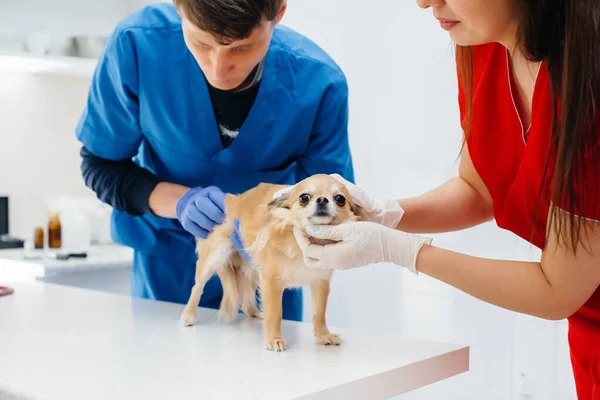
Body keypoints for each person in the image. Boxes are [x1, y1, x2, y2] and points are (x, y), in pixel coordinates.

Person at [279, 0, 600, 398]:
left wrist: (404, 252)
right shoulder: (484, 42)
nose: (425, 1)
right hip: (588, 334)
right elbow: (479, 189)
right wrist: (383, 216)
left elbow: (557, 290)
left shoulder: (588, 86)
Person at [74, 0, 354, 322]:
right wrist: (181, 202)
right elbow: (101, 164)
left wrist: (268, 227)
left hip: (267, 275)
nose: (218, 69)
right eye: (201, 43)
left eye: (242, 48)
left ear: (278, 12)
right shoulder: (138, 45)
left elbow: (332, 207)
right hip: (167, 274)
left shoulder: (318, 84)